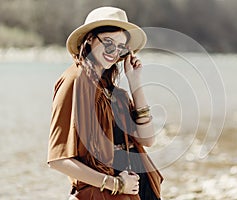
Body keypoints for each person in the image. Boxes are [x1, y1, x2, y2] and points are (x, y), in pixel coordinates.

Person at [47, 6, 163, 200]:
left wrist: (135, 82)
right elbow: (58, 159)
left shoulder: (116, 94)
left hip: (138, 188)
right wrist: (115, 184)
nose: (114, 52)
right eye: (108, 42)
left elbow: (147, 139)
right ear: (90, 39)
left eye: (120, 47)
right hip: (106, 193)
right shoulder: (74, 81)